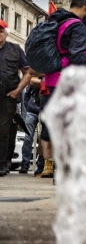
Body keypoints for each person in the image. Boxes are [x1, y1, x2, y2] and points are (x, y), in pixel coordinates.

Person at [39, 0, 86, 178]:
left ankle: (61, 167)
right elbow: (78, 56)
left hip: (53, 77)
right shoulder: (77, 26)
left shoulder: (57, 20)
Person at [0, 19, 31, 177]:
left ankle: (2, 163)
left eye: (0, 31)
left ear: (6, 33)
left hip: (8, 96)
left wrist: (18, 90)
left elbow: (27, 72)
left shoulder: (15, 49)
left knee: (4, 130)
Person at [19, 76, 42, 174]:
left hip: (44, 110)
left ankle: (42, 163)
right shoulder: (33, 80)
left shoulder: (48, 78)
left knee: (43, 138)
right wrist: (28, 107)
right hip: (31, 111)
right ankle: (25, 164)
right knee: (28, 138)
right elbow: (26, 94)